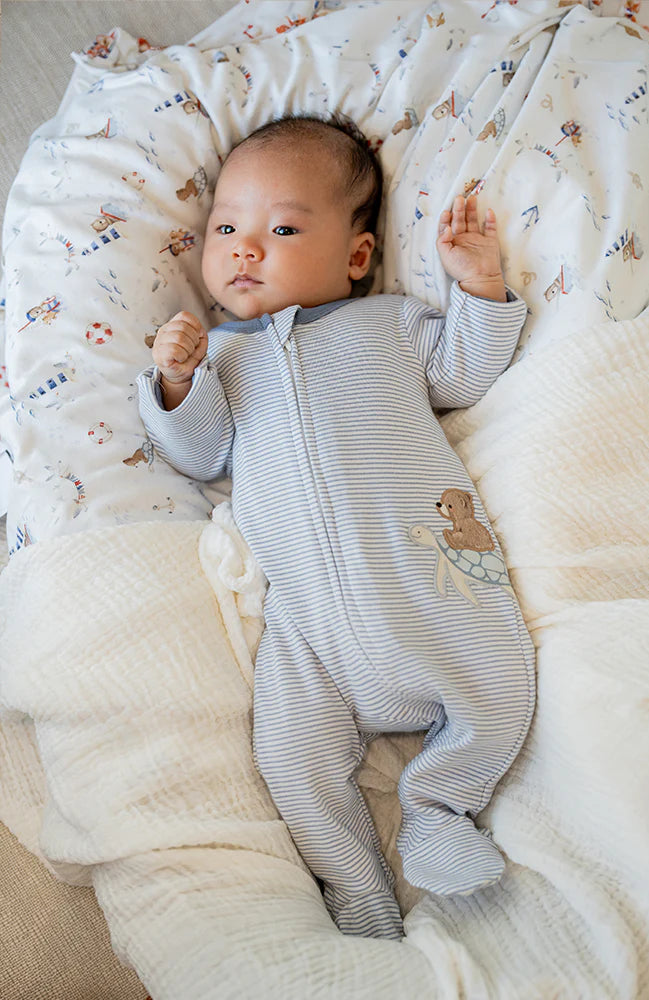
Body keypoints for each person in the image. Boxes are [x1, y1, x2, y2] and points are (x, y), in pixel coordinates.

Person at [138, 114, 536, 940]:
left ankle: (437, 804)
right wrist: (175, 383)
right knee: (289, 758)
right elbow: (200, 451)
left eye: (281, 228)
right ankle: (356, 885)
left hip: (427, 587)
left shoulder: (386, 324)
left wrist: (480, 286)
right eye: (226, 228)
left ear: (356, 258)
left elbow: (464, 372)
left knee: (501, 686)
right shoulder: (219, 358)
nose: (245, 248)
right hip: (308, 630)